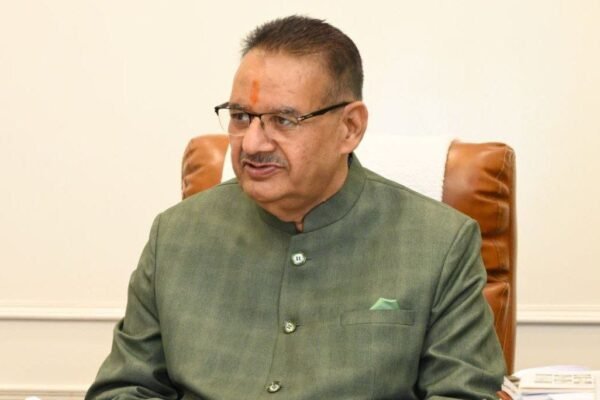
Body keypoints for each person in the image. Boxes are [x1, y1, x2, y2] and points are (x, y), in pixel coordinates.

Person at [86, 15, 505, 400]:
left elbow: (463, 394)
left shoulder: (440, 244)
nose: (252, 143)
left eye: (283, 121)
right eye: (240, 116)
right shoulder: (175, 235)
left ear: (350, 127)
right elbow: (124, 389)